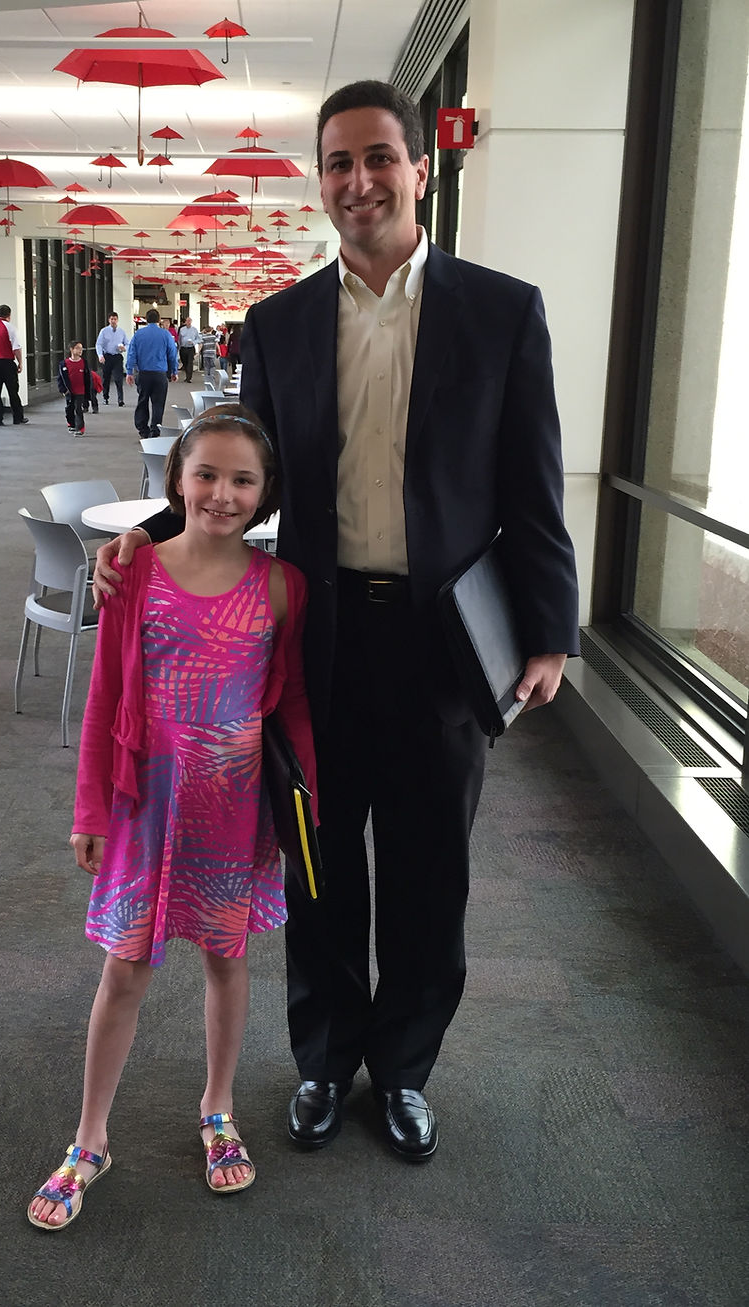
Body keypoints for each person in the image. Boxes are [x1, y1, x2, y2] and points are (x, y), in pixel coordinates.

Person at [93, 79, 579, 1164]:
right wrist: (155, 529)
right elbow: (241, 477)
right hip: (311, 645)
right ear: (319, 182)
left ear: (417, 169)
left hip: (439, 645)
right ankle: (322, 1058)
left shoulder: (501, 312)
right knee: (314, 864)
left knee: (426, 867)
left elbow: (532, 486)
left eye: (376, 159)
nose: (356, 181)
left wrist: (548, 627)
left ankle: (401, 1069)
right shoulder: (278, 321)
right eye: (335, 164)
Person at [26, 404, 316, 1231]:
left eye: (242, 480)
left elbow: (290, 705)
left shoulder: (279, 586)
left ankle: (218, 1106)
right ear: (175, 480)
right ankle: (90, 1136)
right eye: (206, 474)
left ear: (265, 495)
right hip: (145, 802)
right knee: (124, 967)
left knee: (227, 959)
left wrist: (305, 810)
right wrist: (90, 807)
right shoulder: (135, 573)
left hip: (232, 810)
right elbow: (106, 698)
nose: (222, 493)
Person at [124, 308, 178, 438]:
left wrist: (129, 371)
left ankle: (143, 429)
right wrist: (174, 371)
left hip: (144, 374)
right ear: (159, 320)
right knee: (158, 403)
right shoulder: (165, 335)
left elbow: (132, 354)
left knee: (142, 401)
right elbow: (172, 354)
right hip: (160, 374)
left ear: (146, 320)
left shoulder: (138, 334)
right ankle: (155, 429)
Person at [0, 303, 27, 426]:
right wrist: (20, 363)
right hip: (6, 362)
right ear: (9, 315)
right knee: (13, 391)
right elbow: (16, 348)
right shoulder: (10, 328)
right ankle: (18, 418)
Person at [57, 339, 101, 435]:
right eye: (77, 348)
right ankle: (71, 424)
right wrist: (63, 390)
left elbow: (87, 377)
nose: (80, 351)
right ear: (72, 350)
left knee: (78, 409)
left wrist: (89, 390)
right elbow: (60, 379)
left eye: (81, 349)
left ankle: (80, 428)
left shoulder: (84, 363)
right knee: (69, 408)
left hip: (80, 391)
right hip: (69, 391)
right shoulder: (64, 364)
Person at [95, 311, 128, 407]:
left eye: (115, 319)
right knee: (106, 378)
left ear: (117, 320)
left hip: (117, 356)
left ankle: (120, 399)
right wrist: (100, 355)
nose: (113, 321)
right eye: (111, 319)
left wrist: (124, 348)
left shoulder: (121, 332)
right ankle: (105, 397)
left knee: (118, 378)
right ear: (109, 320)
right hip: (107, 357)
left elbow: (127, 343)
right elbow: (99, 344)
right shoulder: (104, 331)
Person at [178, 316, 201, 383]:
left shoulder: (194, 330)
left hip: (190, 348)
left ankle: (189, 378)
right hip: (183, 348)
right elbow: (179, 338)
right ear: (185, 322)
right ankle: (187, 374)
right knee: (184, 362)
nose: (188, 322)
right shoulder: (182, 329)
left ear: (191, 322)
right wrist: (179, 346)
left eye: (189, 321)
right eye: (187, 321)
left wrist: (193, 342)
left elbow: (199, 339)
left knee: (190, 363)